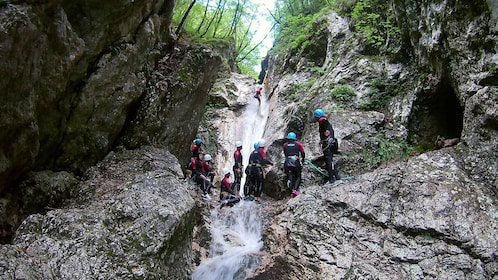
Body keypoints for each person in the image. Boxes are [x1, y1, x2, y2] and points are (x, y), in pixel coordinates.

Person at [313, 108, 341, 184]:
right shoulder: (324, 121)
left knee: (329, 161)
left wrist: (324, 140)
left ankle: (331, 179)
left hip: (328, 144)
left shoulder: (323, 122)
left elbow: (327, 133)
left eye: (315, 116)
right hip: (331, 143)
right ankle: (336, 176)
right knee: (329, 160)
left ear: (317, 117)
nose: (314, 118)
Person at [283, 132, 305, 198]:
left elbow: (285, 153)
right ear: (294, 138)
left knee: (290, 177)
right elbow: (303, 152)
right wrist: (303, 159)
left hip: (287, 162)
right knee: (298, 176)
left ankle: (290, 191)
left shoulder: (285, 145)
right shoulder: (298, 144)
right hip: (295, 162)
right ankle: (295, 190)